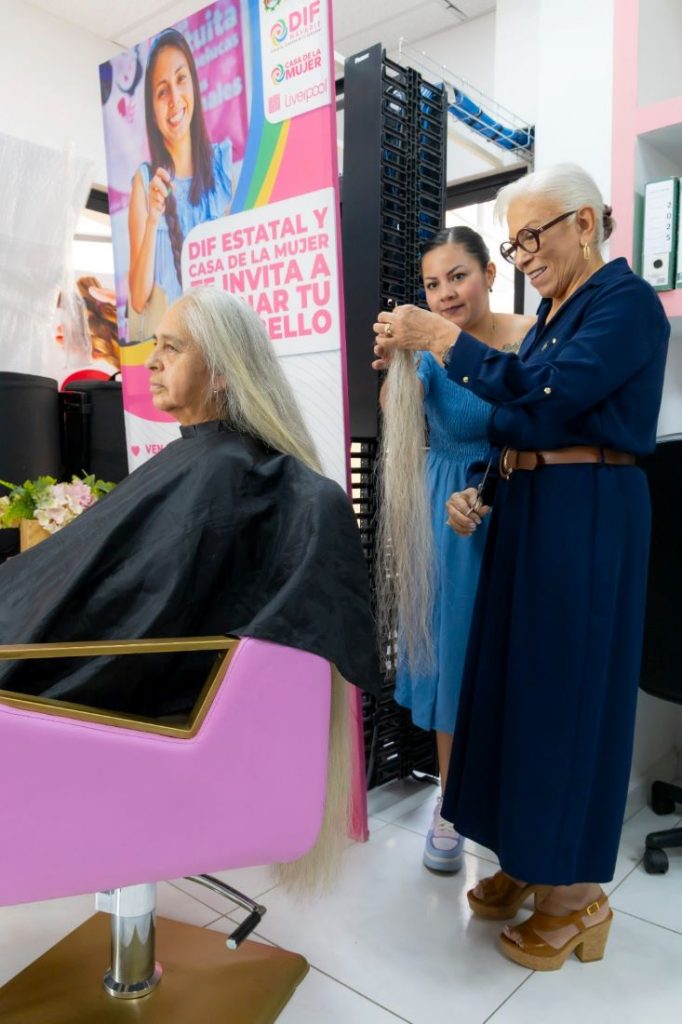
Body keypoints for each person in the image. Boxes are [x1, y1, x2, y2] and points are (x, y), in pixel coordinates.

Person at [372, 163, 669, 970]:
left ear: (586, 223)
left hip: (588, 512)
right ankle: (529, 860)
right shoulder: (551, 315)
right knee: (518, 693)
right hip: (532, 507)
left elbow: (547, 396)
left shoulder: (625, 304)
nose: (526, 253)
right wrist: (481, 491)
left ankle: (576, 898)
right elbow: (516, 423)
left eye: (533, 236)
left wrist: (443, 340)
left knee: (568, 698)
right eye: (516, 242)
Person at [0, 287, 380, 720]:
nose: (151, 361)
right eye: (155, 345)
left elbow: (132, 605)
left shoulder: (228, 473)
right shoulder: (205, 462)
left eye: (172, 348)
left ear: (221, 372)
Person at [373, 227, 533, 873]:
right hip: (445, 512)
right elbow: (397, 412)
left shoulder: (529, 336)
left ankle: (516, 795)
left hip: (521, 497)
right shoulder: (426, 351)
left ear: (490, 274)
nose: (445, 293)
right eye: (433, 283)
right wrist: (395, 363)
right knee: (453, 654)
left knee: (519, 653)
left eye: (458, 276)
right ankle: (451, 800)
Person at [127, 29, 234, 334]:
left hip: (220, 342)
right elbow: (138, 299)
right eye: (162, 91)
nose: (174, 99)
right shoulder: (144, 182)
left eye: (181, 79)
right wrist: (153, 220)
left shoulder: (222, 166)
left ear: (194, 84)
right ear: (152, 109)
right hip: (172, 349)